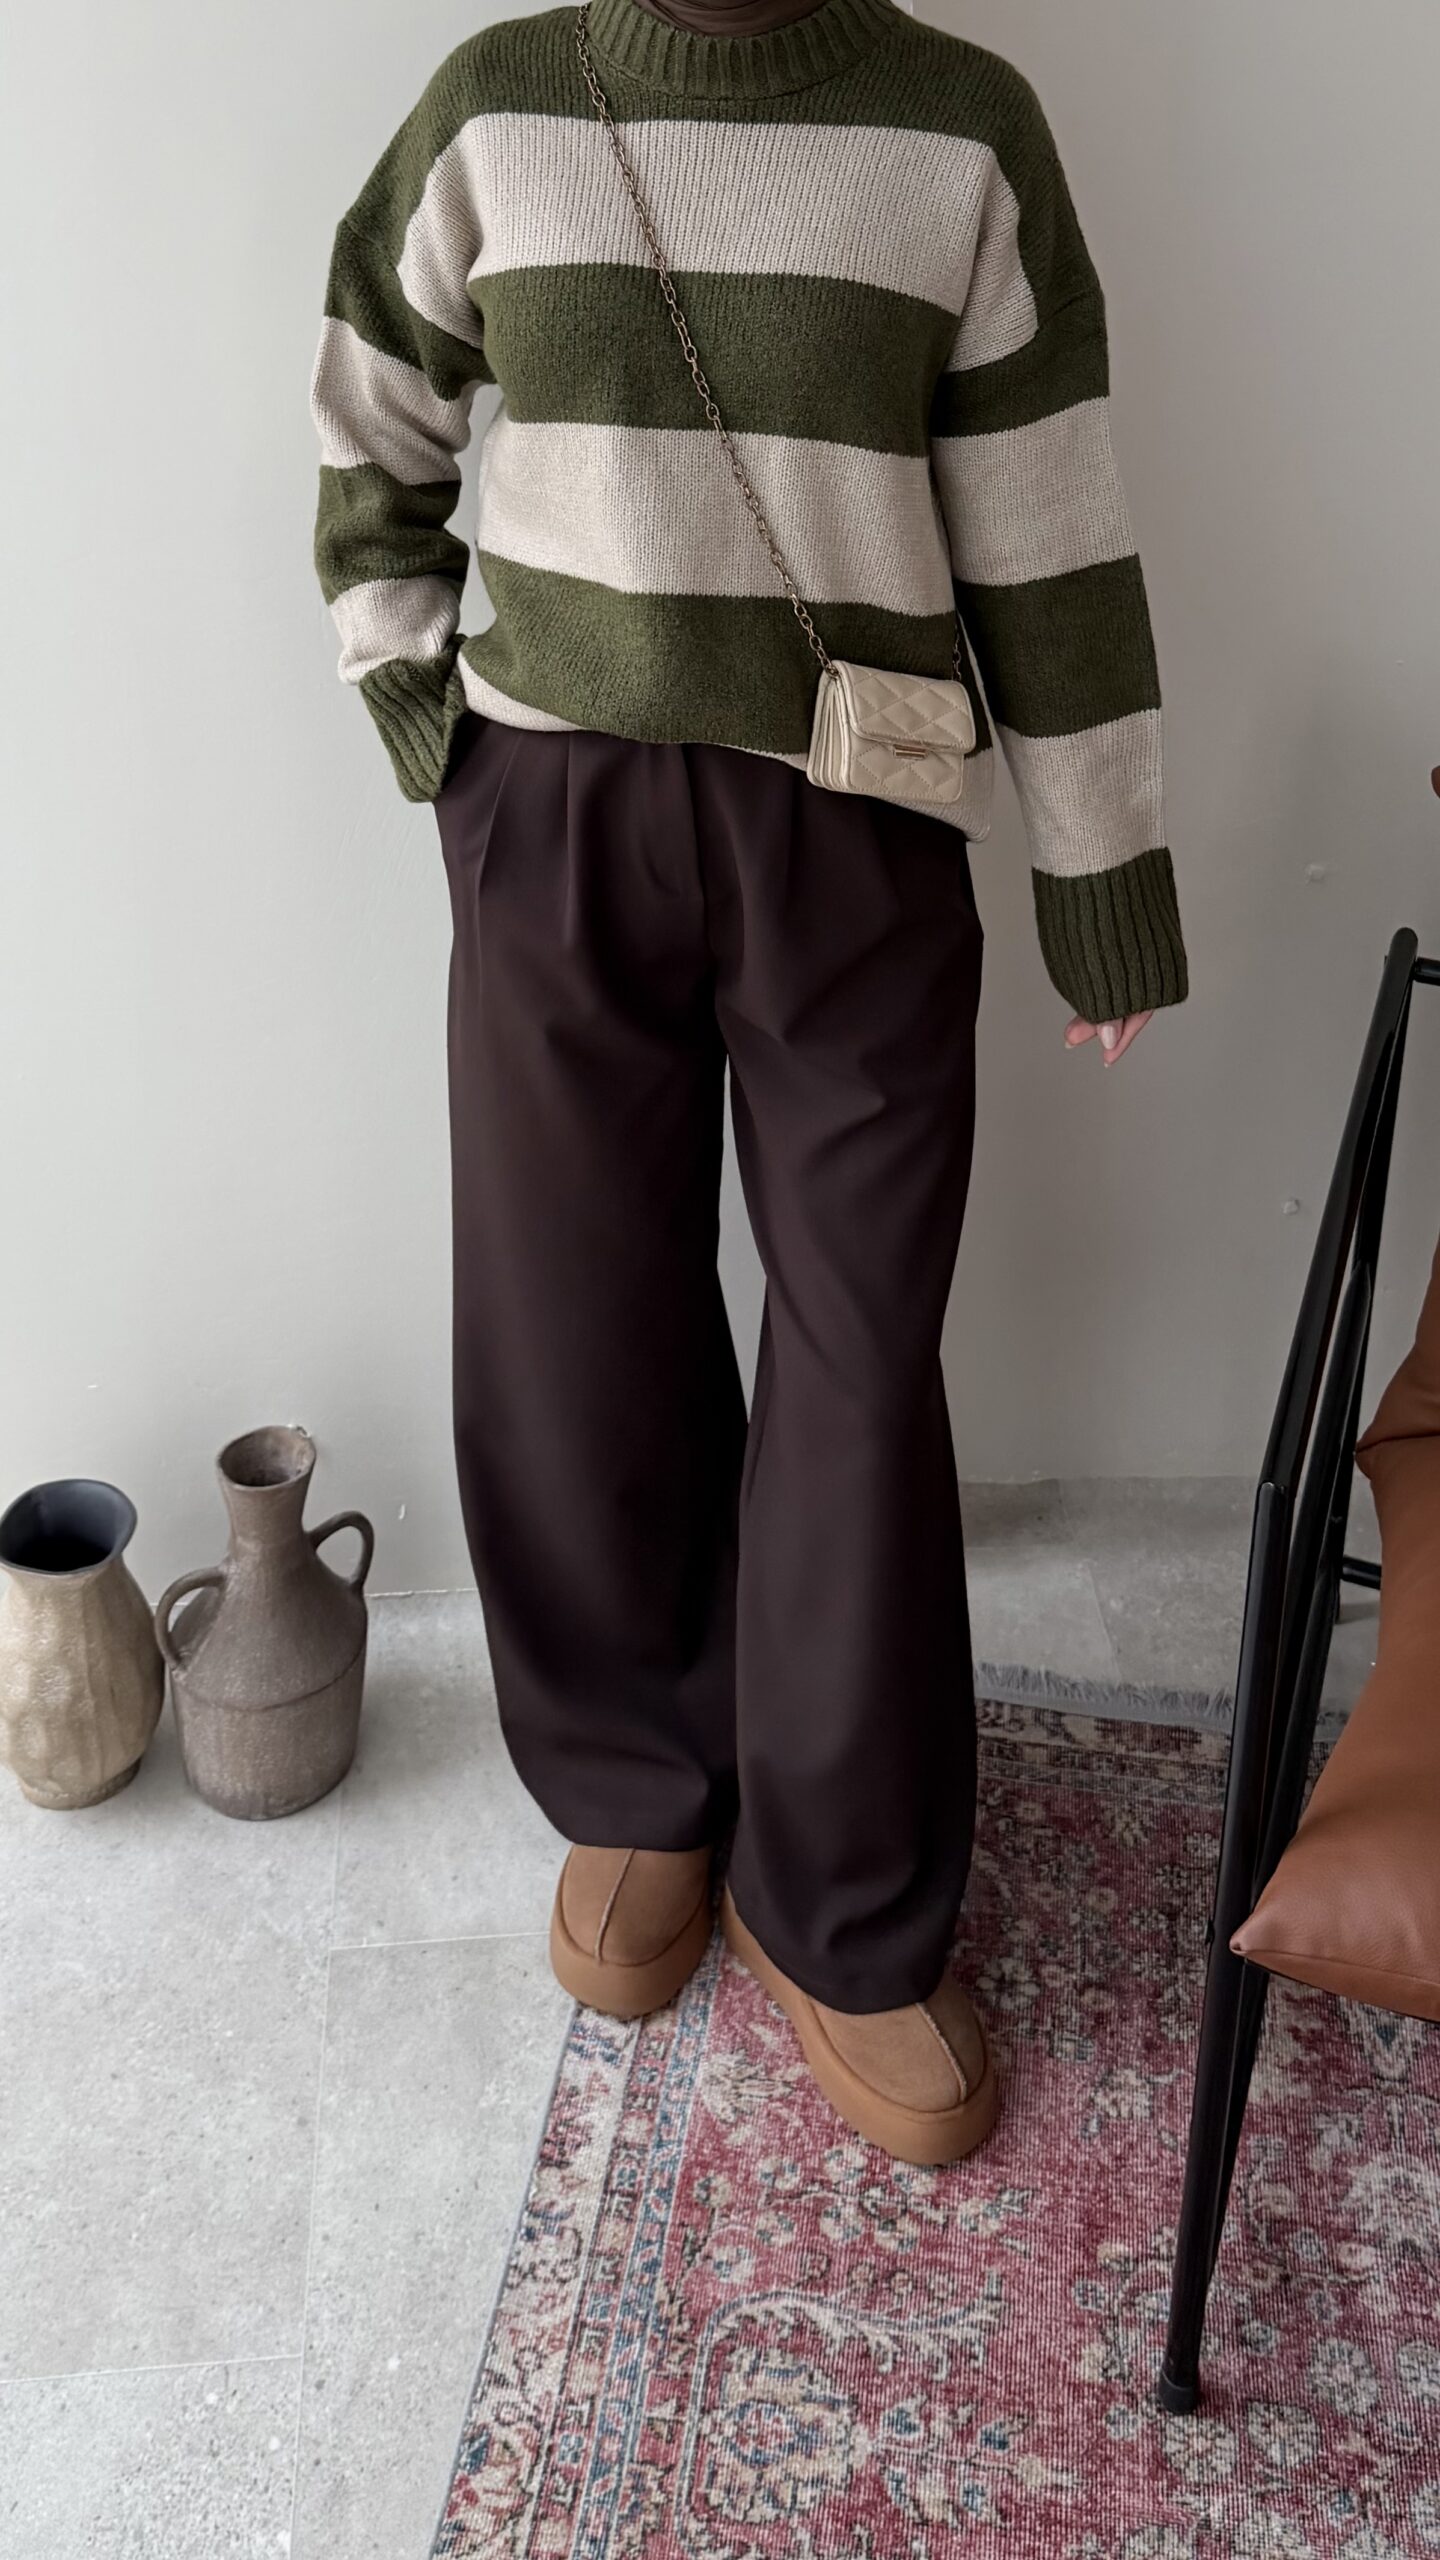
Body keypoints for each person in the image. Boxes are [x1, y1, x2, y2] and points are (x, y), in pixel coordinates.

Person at [310, 0, 1188, 2167]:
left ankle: (847, 1898)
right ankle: (643, 1786)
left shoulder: (961, 130)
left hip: (855, 824)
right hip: (554, 813)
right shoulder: (497, 105)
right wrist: (420, 705)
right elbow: (372, 404)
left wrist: (1103, 874)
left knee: (859, 1362)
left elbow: (1046, 513)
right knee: (571, 1329)